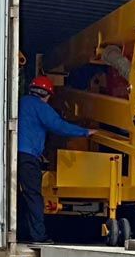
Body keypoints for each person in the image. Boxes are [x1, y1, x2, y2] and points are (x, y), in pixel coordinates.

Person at [17, 75, 95, 244]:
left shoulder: (21, 103)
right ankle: (38, 236)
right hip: (29, 158)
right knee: (34, 196)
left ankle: (18, 232)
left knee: (17, 195)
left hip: (13, 155)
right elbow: (59, 126)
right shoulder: (40, 107)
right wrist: (85, 132)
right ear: (46, 95)